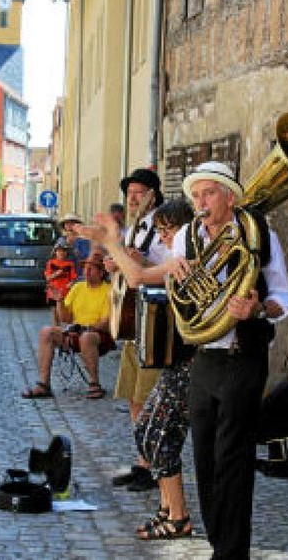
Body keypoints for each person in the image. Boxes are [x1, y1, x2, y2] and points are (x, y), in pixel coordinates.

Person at [85, 161, 288, 559]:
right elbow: (141, 277)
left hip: (242, 357)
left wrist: (258, 308)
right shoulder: (184, 239)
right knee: (205, 459)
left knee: (233, 458)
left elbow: (282, 297)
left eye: (209, 193)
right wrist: (122, 247)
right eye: (196, 195)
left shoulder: (260, 235)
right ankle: (220, 542)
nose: (200, 202)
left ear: (230, 197)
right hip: (203, 358)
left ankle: (230, 553)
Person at [93, 198, 199, 540]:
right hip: (175, 361)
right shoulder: (174, 259)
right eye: (162, 230)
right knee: (147, 433)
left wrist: (112, 241)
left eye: (169, 230)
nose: (164, 237)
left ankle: (178, 516)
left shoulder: (184, 261)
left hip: (190, 363)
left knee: (161, 435)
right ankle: (169, 508)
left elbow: (137, 277)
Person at [105, 167, 167, 492]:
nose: (132, 198)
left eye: (139, 192)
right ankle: (143, 462)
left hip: (156, 320)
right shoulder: (134, 229)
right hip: (133, 319)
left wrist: (139, 262)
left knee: (149, 395)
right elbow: (127, 271)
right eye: (129, 193)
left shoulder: (163, 227)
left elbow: (173, 270)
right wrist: (115, 264)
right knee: (133, 397)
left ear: (153, 195)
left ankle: (157, 467)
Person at [21, 251, 114, 401]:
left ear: (102, 272)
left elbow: (106, 322)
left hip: (99, 335)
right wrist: (59, 300)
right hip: (77, 332)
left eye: (91, 268)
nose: (86, 271)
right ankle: (43, 384)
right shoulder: (78, 288)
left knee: (86, 337)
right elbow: (65, 318)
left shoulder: (108, 291)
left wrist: (86, 328)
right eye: (85, 268)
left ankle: (94, 383)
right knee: (47, 332)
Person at [44, 242, 78, 326]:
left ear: (66, 253)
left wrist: (71, 283)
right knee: (55, 315)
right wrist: (56, 274)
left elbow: (73, 277)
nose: (61, 253)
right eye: (59, 251)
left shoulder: (70, 264)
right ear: (55, 252)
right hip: (53, 292)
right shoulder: (51, 263)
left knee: (65, 314)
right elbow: (48, 278)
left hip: (65, 291)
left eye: (63, 251)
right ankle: (56, 329)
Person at [58, 212, 91, 276]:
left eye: (72, 223)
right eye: (67, 223)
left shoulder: (85, 240)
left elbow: (86, 258)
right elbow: (56, 258)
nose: (69, 225)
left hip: (80, 276)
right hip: (65, 276)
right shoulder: (61, 240)